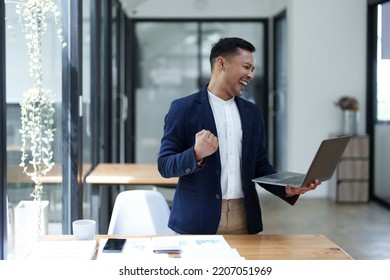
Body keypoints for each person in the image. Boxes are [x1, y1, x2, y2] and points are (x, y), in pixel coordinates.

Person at [157, 37, 319, 235]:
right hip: (196, 219)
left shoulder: (252, 113)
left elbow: (259, 165)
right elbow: (164, 165)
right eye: (246, 67)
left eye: (252, 69)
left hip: (244, 219)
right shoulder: (183, 109)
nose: (250, 75)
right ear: (221, 64)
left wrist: (286, 189)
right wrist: (196, 153)